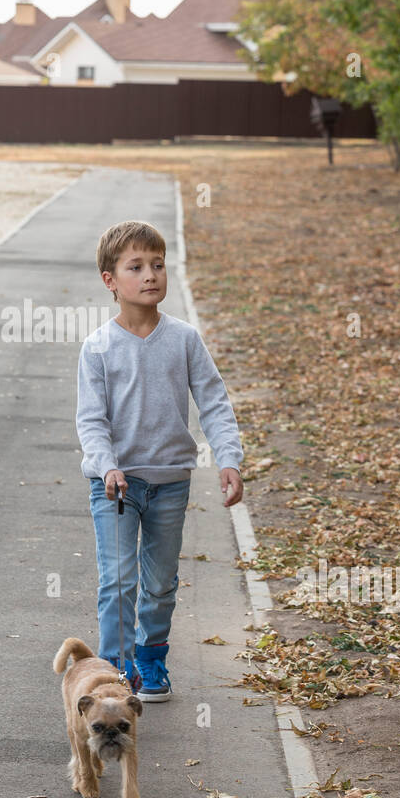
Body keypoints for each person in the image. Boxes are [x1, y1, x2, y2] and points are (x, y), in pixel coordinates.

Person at [75, 219, 244, 701]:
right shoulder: (98, 348)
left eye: (158, 265)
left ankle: (150, 658)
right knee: (118, 580)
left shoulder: (184, 339)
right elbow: (91, 421)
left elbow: (213, 401)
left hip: (170, 483)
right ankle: (112, 671)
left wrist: (229, 459)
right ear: (110, 280)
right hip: (116, 486)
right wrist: (106, 464)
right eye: (136, 267)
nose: (150, 275)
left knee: (160, 582)